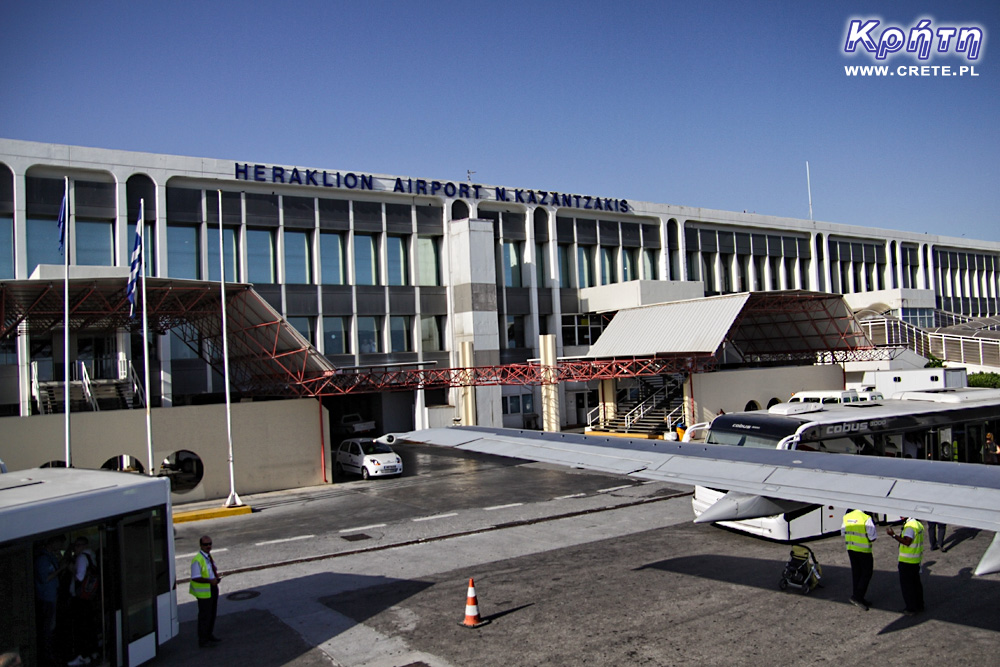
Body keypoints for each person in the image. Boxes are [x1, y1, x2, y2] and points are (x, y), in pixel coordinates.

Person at [67, 537, 99, 667]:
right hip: (90, 596)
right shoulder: (92, 555)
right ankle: (93, 652)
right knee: (90, 626)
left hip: (80, 598)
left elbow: (80, 577)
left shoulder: (81, 558)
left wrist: (71, 570)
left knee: (81, 628)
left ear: (83, 546)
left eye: (77, 546)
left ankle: (82, 655)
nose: (75, 549)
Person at [34, 537, 65, 666]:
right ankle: (47, 656)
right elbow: (45, 578)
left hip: (53, 595)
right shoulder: (42, 559)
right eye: (58, 542)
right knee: (48, 627)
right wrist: (60, 569)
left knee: (52, 626)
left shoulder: (51, 556)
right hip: (46, 598)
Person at [190, 535, 223, 648]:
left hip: (212, 589)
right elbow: (195, 577)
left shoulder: (208, 556)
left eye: (210, 544)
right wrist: (210, 581)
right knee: (205, 616)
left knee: (212, 614)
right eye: (205, 544)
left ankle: (209, 635)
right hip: (204, 592)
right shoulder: (197, 560)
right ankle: (203, 640)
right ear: (201, 546)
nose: (208, 546)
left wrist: (215, 579)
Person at [888, 518, 925, 615]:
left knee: (907, 586)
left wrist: (893, 535)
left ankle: (911, 608)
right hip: (916, 559)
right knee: (916, 584)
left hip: (907, 561)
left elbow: (907, 541)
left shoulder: (909, 526)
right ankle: (920, 605)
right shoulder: (918, 524)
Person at [842, 508, 877, 610]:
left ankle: (859, 597)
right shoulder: (866, 518)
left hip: (851, 549)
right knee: (867, 573)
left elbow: (843, 532)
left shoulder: (847, 517)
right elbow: (872, 537)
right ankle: (857, 597)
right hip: (863, 550)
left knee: (856, 573)